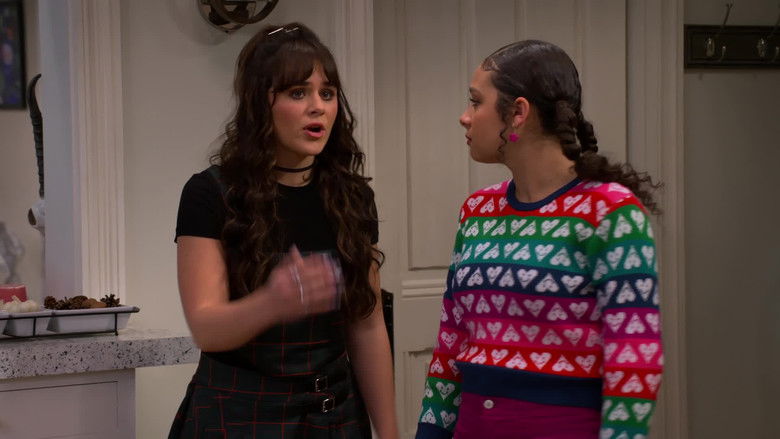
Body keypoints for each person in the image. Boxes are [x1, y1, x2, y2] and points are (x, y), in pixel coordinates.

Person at [415, 40, 662, 439]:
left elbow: (634, 360)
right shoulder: (477, 211)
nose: (465, 117)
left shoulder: (609, 212)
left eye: (475, 102)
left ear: (518, 113)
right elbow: (450, 345)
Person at [170, 22, 398, 439]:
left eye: (327, 93)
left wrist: (389, 432)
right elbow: (206, 328)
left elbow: (366, 328)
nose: (318, 107)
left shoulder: (352, 198)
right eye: (298, 93)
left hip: (334, 415)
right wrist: (272, 302)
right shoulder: (210, 193)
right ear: (261, 103)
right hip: (238, 415)